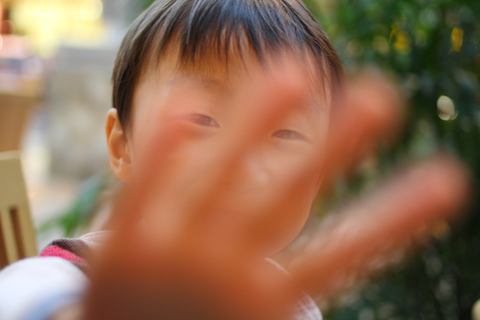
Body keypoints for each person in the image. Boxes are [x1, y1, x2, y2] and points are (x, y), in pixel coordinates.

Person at [0, 0, 470, 319]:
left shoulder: (293, 303)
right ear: (123, 145)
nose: (245, 164)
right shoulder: (63, 278)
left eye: (287, 132)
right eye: (201, 119)